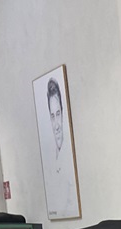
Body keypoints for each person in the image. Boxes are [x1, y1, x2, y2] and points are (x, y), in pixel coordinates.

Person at [41, 77, 79, 218]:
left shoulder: (69, 157)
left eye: (58, 114)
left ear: (63, 113)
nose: (56, 125)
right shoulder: (49, 160)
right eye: (52, 116)